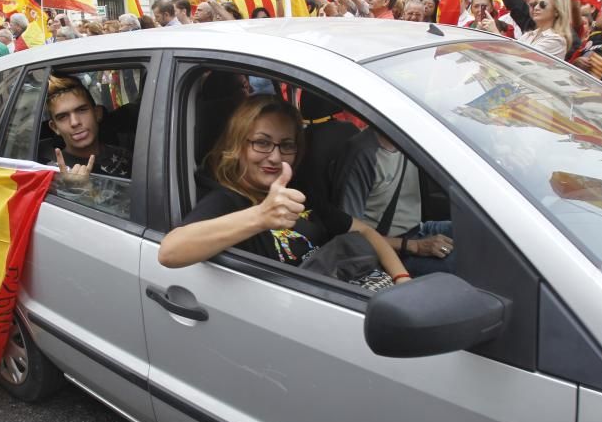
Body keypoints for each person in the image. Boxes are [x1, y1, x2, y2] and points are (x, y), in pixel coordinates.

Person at [157, 96, 412, 288]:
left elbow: (365, 231)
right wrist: (260, 217)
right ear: (238, 145)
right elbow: (170, 251)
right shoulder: (227, 200)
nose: (275, 157)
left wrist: (403, 278)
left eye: (286, 145)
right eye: (262, 142)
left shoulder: (297, 192)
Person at [331, 127, 455, 277]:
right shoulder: (363, 153)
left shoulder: (411, 141)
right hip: (389, 252)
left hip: (419, 230)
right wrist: (414, 246)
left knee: (476, 232)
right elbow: (351, 237)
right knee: (461, 264)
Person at [48, 75, 132, 183]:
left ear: (97, 113)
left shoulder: (124, 155)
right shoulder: (52, 174)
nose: (74, 122)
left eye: (81, 110)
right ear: (55, 127)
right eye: (63, 117)